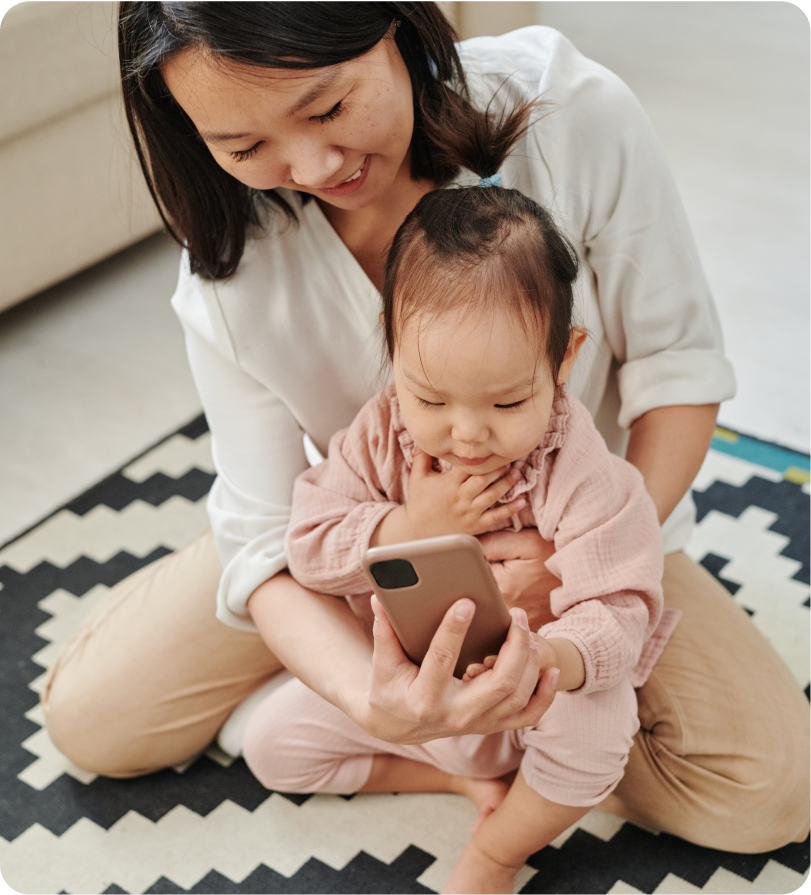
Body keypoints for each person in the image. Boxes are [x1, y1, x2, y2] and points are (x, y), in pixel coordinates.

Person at [41, 0, 811, 858]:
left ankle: (484, 725)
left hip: (581, 533)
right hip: (352, 534)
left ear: (392, 24)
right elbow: (269, 541)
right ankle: (401, 715)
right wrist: (371, 697)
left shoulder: (567, 111)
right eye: (243, 147)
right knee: (94, 724)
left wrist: (575, 567)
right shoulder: (230, 264)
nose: (311, 164)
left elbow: (676, 367)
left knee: (765, 796)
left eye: (326, 108)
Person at [242, 166, 681, 894]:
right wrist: (407, 523)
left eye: (508, 401)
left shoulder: (583, 471)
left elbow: (623, 609)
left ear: (562, 359)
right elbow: (309, 549)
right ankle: (454, 784)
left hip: (526, 697)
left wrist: (552, 656)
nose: (468, 432)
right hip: (407, 694)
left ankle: (495, 852)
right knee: (272, 745)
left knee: (597, 729)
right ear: (392, 347)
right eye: (431, 396)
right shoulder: (378, 433)